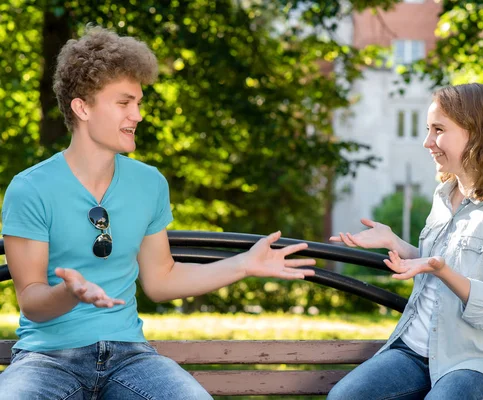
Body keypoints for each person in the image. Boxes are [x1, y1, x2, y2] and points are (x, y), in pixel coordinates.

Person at [0, 26, 316, 400]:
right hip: (47, 358)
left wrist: (243, 265)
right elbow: (33, 301)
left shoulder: (149, 184)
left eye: (139, 102)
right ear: (82, 107)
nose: (138, 114)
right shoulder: (31, 187)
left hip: (129, 357)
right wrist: (72, 293)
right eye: (124, 103)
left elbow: (161, 279)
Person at [327, 83, 483, 400]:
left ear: (476, 131)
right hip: (416, 352)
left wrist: (441, 270)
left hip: (477, 362)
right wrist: (396, 243)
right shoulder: (444, 194)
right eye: (428, 130)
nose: (427, 142)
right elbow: (444, 261)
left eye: (438, 130)